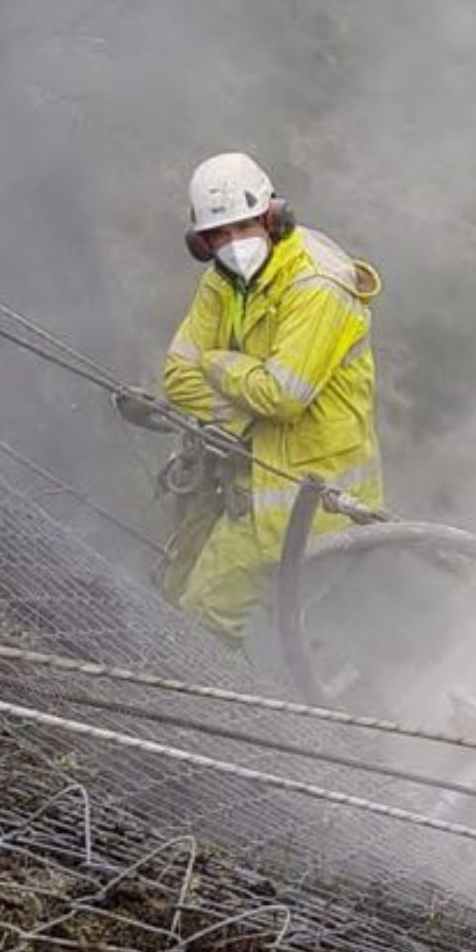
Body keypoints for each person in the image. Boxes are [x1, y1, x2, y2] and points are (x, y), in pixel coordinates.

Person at [161, 152, 384, 642]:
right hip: (247, 470)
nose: (234, 244)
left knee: (202, 615)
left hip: (306, 496)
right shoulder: (222, 282)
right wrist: (245, 416)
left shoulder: (318, 286)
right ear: (202, 242)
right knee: (173, 584)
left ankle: (196, 712)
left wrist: (219, 363)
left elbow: (282, 397)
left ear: (272, 217)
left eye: (244, 226)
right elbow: (176, 374)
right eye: (219, 234)